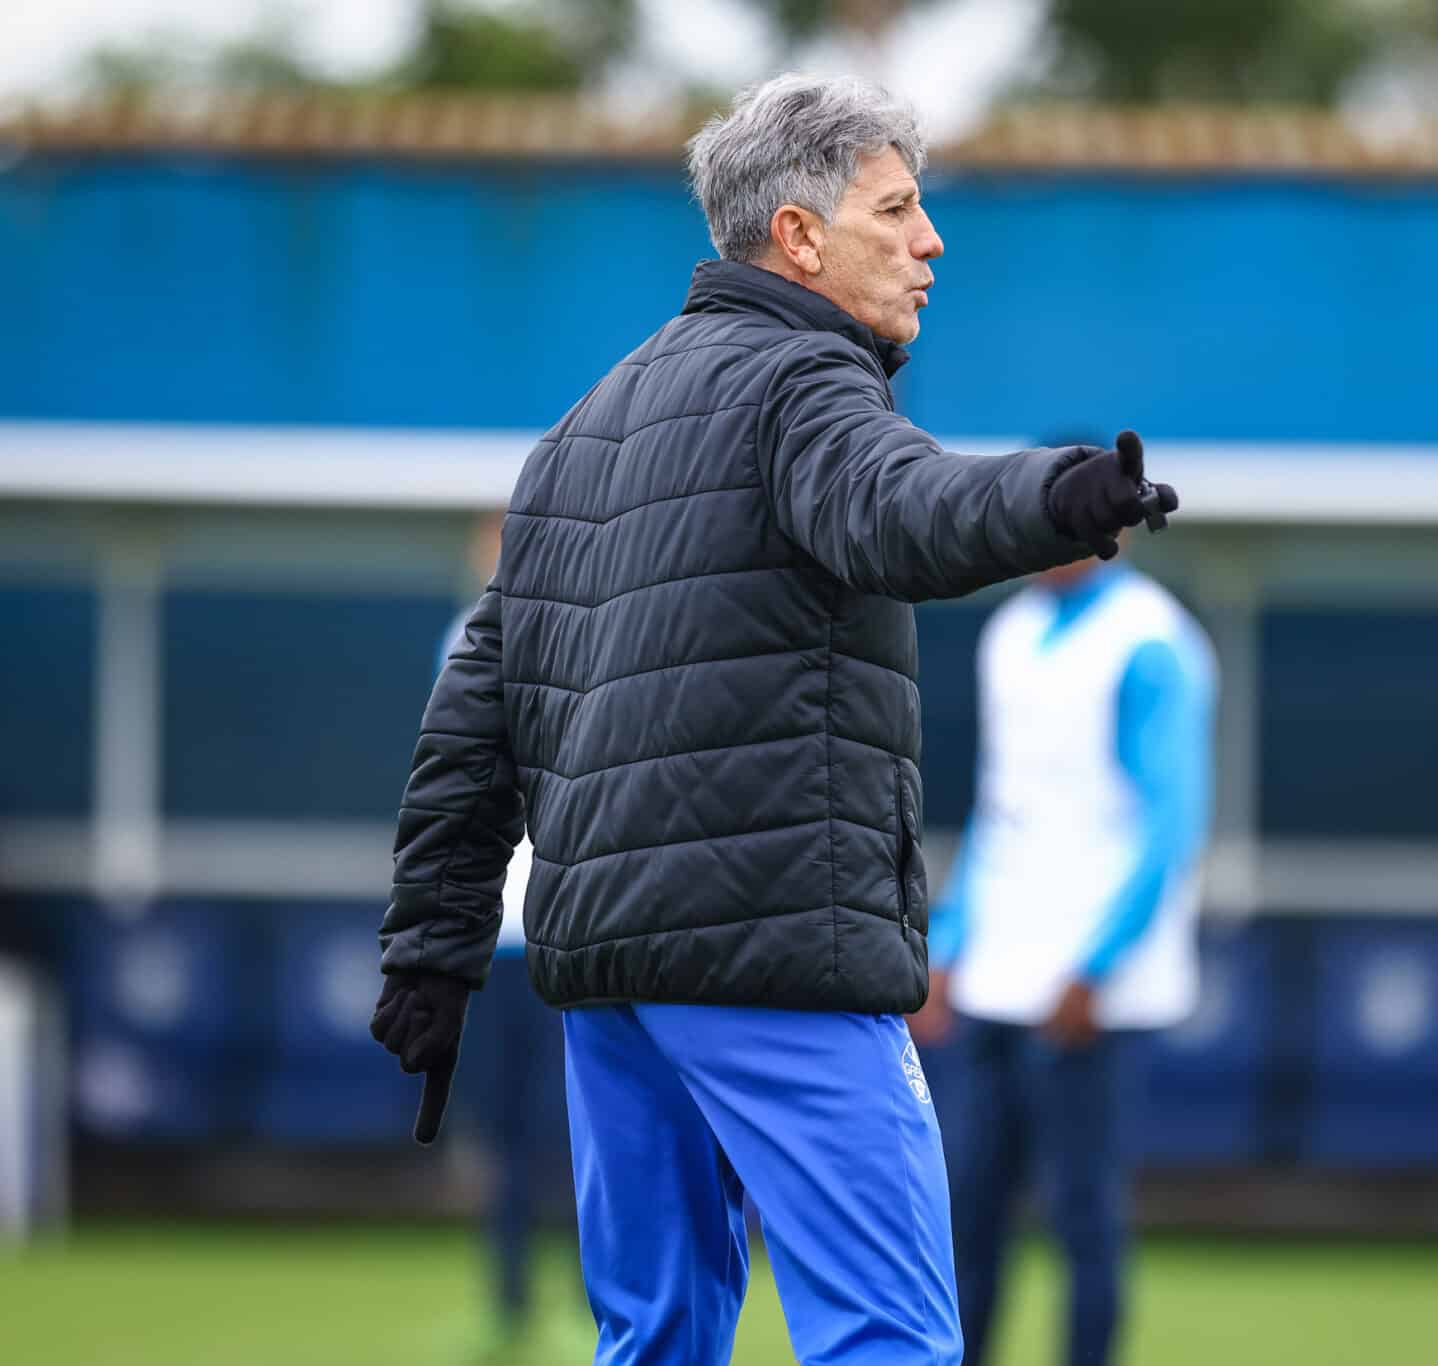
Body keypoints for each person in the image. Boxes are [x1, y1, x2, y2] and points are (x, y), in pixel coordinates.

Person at [368, 73, 1179, 1366]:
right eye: (899, 209)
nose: (933, 241)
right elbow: (903, 504)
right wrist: (1060, 496)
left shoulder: (579, 432)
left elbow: (478, 715)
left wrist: (431, 948)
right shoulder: (805, 381)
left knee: (656, 1333)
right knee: (888, 1334)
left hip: (611, 986)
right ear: (799, 236)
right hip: (774, 959)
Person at [910, 538, 1216, 1366]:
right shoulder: (1007, 632)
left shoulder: (1152, 641)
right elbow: (1001, 807)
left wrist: (1097, 966)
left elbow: (1172, 825)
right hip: (997, 978)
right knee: (967, 1214)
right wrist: (949, 943)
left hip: (1092, 995)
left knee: (1084, 1220)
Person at [436, 510, 575, 1352]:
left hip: (568, 936)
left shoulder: (581, 629)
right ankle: (513, 1299)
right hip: (495, 943)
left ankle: (605, 1297)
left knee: (580, 1135)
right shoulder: (464, 640)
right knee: (505, 1137)